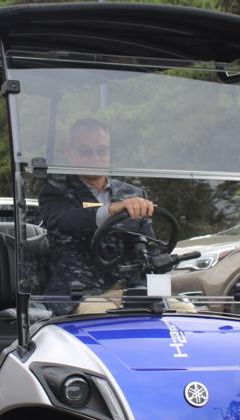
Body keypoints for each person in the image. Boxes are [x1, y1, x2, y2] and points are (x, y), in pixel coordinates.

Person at [39, 118, 190, 314]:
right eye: (86, 152)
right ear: (69, 153)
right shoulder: (56, 192)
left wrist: (160, 291)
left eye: (102, 151)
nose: (95, 158)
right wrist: (111, 210)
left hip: (132, 289)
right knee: (102, 322)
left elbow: (148, 246)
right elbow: (67, 221)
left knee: (186, 315)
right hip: (81, 292)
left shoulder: (133, 193)